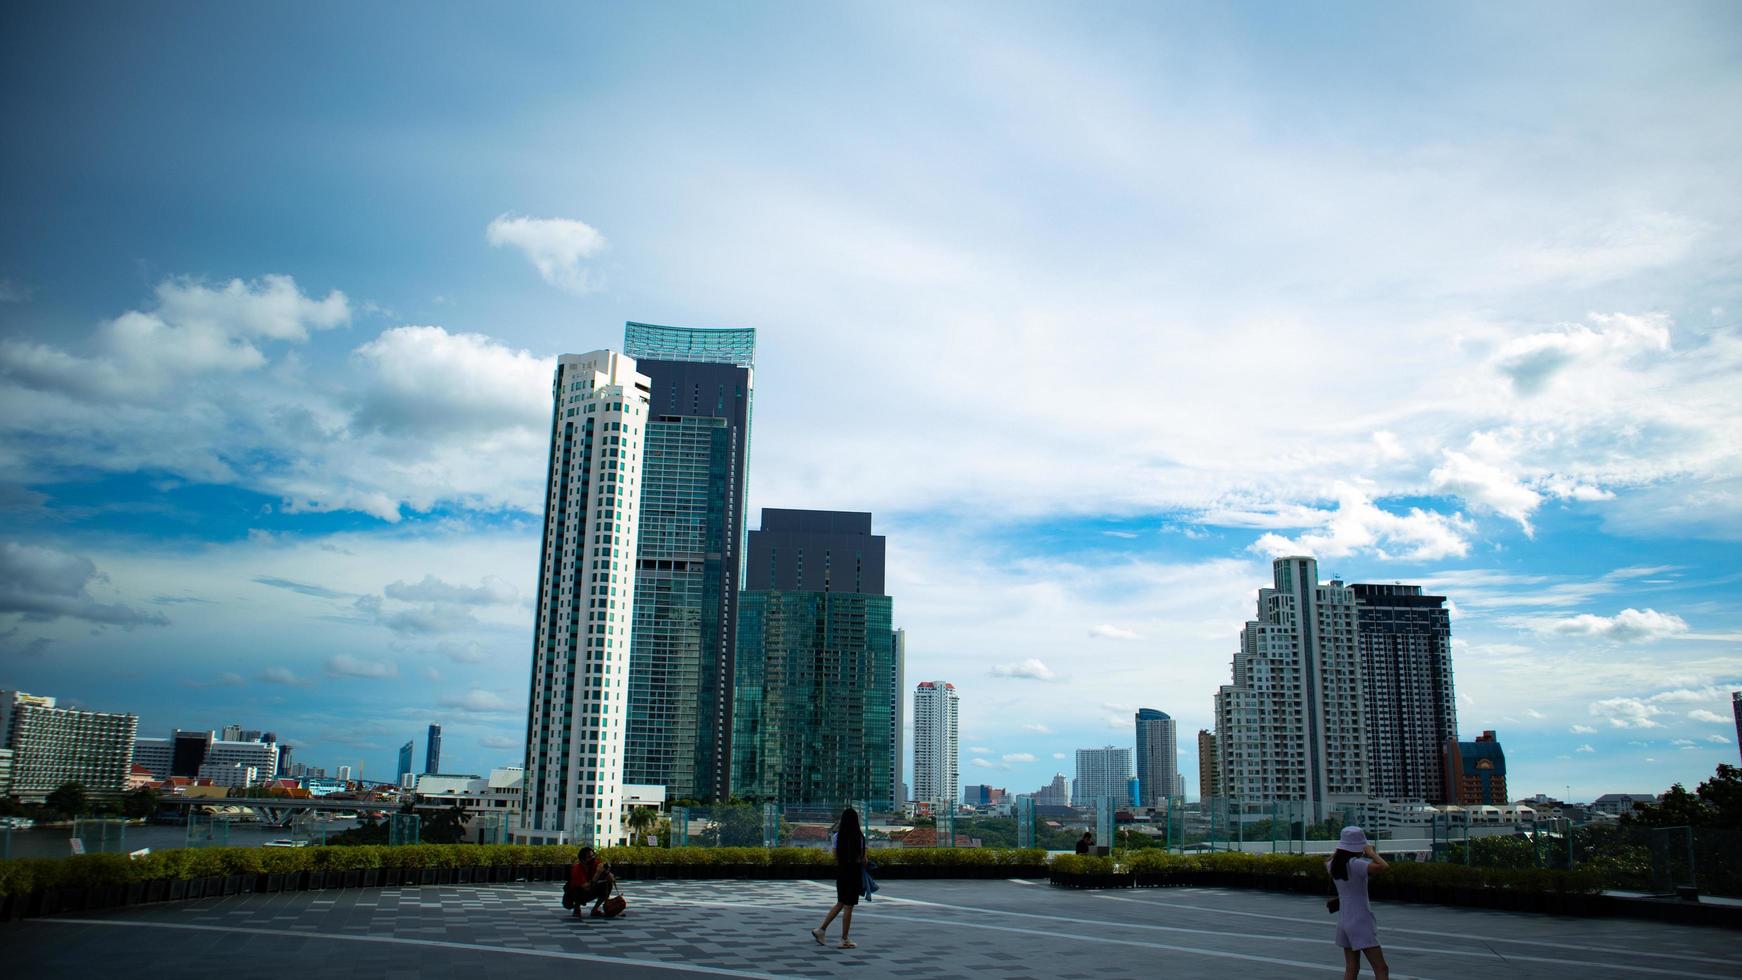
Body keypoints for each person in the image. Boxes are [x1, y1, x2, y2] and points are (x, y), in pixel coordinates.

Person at [1326, 826, 1389, 980]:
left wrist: (1341, 849)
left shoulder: (1332, 865)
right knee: (1381, 969)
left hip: (1344, 920)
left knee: (1352, 968)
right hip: (1361, 920)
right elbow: (1384, 867)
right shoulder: (1356, 864)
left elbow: (1329, 859)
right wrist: (1371, 853)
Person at [810, 807, 867, 949]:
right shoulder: (859, 838)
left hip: (841, 872)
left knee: (840, 902)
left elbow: (835, 857)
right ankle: (844, 939)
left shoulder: (837, 836)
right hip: (854, 873)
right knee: (848, 906)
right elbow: (863, 859)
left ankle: (821, 929)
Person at [565, 846, 615, 918]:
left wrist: (607, 872)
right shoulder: (576, 869)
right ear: (582, 860)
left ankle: (595, 910)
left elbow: (612, 879)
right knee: (577, 890)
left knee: (608, 885)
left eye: (593, 855)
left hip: (590, 889)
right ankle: (577, 908)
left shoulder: (596, 864)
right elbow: (585, 888)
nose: (592, 858)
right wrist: (597, 874)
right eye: (589, 857)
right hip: (577, 893)